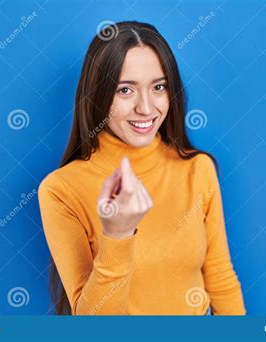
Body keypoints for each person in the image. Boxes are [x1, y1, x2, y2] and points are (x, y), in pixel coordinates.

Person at [38, 21, 246, 315]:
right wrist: (117, 235)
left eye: (158, 87)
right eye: (125, 90)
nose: (146, 108)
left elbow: (221, 279)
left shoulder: (198, 169)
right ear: (98, 95)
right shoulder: (60, 190)